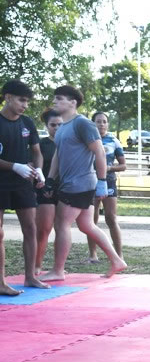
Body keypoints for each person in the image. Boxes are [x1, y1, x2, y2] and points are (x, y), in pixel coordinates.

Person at [39, 86, 127, 281]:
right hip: (71, 184)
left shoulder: (83, 124)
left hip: (79, 184)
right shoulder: (63, 127)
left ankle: (58, 270)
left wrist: (102, 181)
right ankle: (116, 260)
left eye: (59, 99)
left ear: (73, 103)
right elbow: (57, 157)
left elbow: (100, 152)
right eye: (55, 98)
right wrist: (51, 180)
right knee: (87, 225)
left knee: (61, 224)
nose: (55, 102)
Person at [0, 80, 48, 293]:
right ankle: (1, 282)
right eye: (21, 100)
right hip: (1, 182)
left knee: (30, 228)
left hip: (22, 184)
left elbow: (36, 152)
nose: (25, 105)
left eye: (27, 101)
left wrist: (39, 170)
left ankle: (30, 276)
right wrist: (14, 166)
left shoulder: (27, 123)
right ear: (7, 97)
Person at [87, 112, 125, 263]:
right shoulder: (87, 139)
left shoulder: (114, 141)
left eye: (104, 121)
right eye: (98, 121)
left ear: (108, 124)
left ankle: (119, 255)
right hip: (90, 182)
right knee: (91, 219)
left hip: (108, 182)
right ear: (93, 124)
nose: (101, 124)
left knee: (111, 218)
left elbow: (123, 165)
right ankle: (92, 254)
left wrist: (108, 169)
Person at [34, 109, 62, 276]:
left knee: (61, 229)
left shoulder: (68, 143)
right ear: (46, 126)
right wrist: (40, 183)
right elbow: (33, 165)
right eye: (53, 125)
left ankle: (57, 268)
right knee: (44, 229)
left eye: (60, 124)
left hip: (65, 191)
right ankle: (37, 265)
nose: (57, 128)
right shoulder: (41, 145)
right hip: (44, 191)